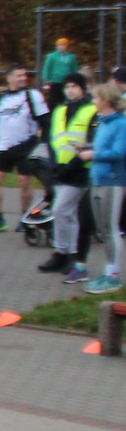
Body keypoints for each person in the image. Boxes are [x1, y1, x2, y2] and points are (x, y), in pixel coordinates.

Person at [40, 73, 98, 283]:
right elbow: (53, 140)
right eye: (67, 87)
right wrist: (55, 165)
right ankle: (64, 254)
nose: (70, 91)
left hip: (81, 169)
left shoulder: (92, 110)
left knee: (61, 209)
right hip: (60, 168)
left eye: (74, 87)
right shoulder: (60, 110)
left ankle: (69, 253)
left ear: (83, 88)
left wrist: (70, 166)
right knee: (67, 213)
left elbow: (91, 144)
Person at [0, 68, 49, 232]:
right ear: (9, 78)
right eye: (19, 75)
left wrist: (44, 144)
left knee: (24, 181)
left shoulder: (32, 96)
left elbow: (45, 122)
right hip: (4, 146)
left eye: (25, 76)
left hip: (26, 145)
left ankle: (24, 217)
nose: (23, 78)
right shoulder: (1, 99)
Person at [85, 82, 123, 294]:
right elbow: (102, 147)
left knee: (111, 230)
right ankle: (107, 272)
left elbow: (119, 152)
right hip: (97, 179)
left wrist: (93, 155)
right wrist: (88, 149)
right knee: (102, 230)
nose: (93, 102)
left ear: (106, 100)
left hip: (113, 181)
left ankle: (113, 276)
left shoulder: (120, 124)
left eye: (96, 98)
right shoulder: (102, 123)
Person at [41, 36, 79, 106]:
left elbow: (74, 69)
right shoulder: (51, 56)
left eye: (63, 45)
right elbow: (47, 68)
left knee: (66, 100)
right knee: (53, 100)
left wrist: (76, 80)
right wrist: (46, 80)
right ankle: (51, 114)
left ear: (67, 46)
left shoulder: (71, 57)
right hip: (55, 82)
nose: (61, 47)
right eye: (59, 45)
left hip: (67, 82)